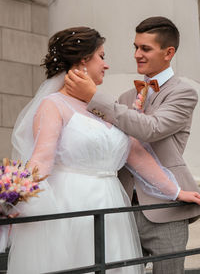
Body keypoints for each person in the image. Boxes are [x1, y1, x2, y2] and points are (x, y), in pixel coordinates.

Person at [6, 26, 200, 274]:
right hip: (75, 205)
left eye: (145, 48)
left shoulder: (101, 105)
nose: (107, 65)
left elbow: (135, 151)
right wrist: (15, 199)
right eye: (102, 56)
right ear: (83, 61)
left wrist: (176, 190)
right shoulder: (53, 104)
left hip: (113, 206)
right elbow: (42, 160)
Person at [64, 17, 200, 274]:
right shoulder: (126, 97)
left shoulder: (184, 92)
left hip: (167, 211)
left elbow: (152, 128)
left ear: (168, 52)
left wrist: (94, 97)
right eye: (135, 47)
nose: (137, 54)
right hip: (123, 206)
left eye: (145, 48)